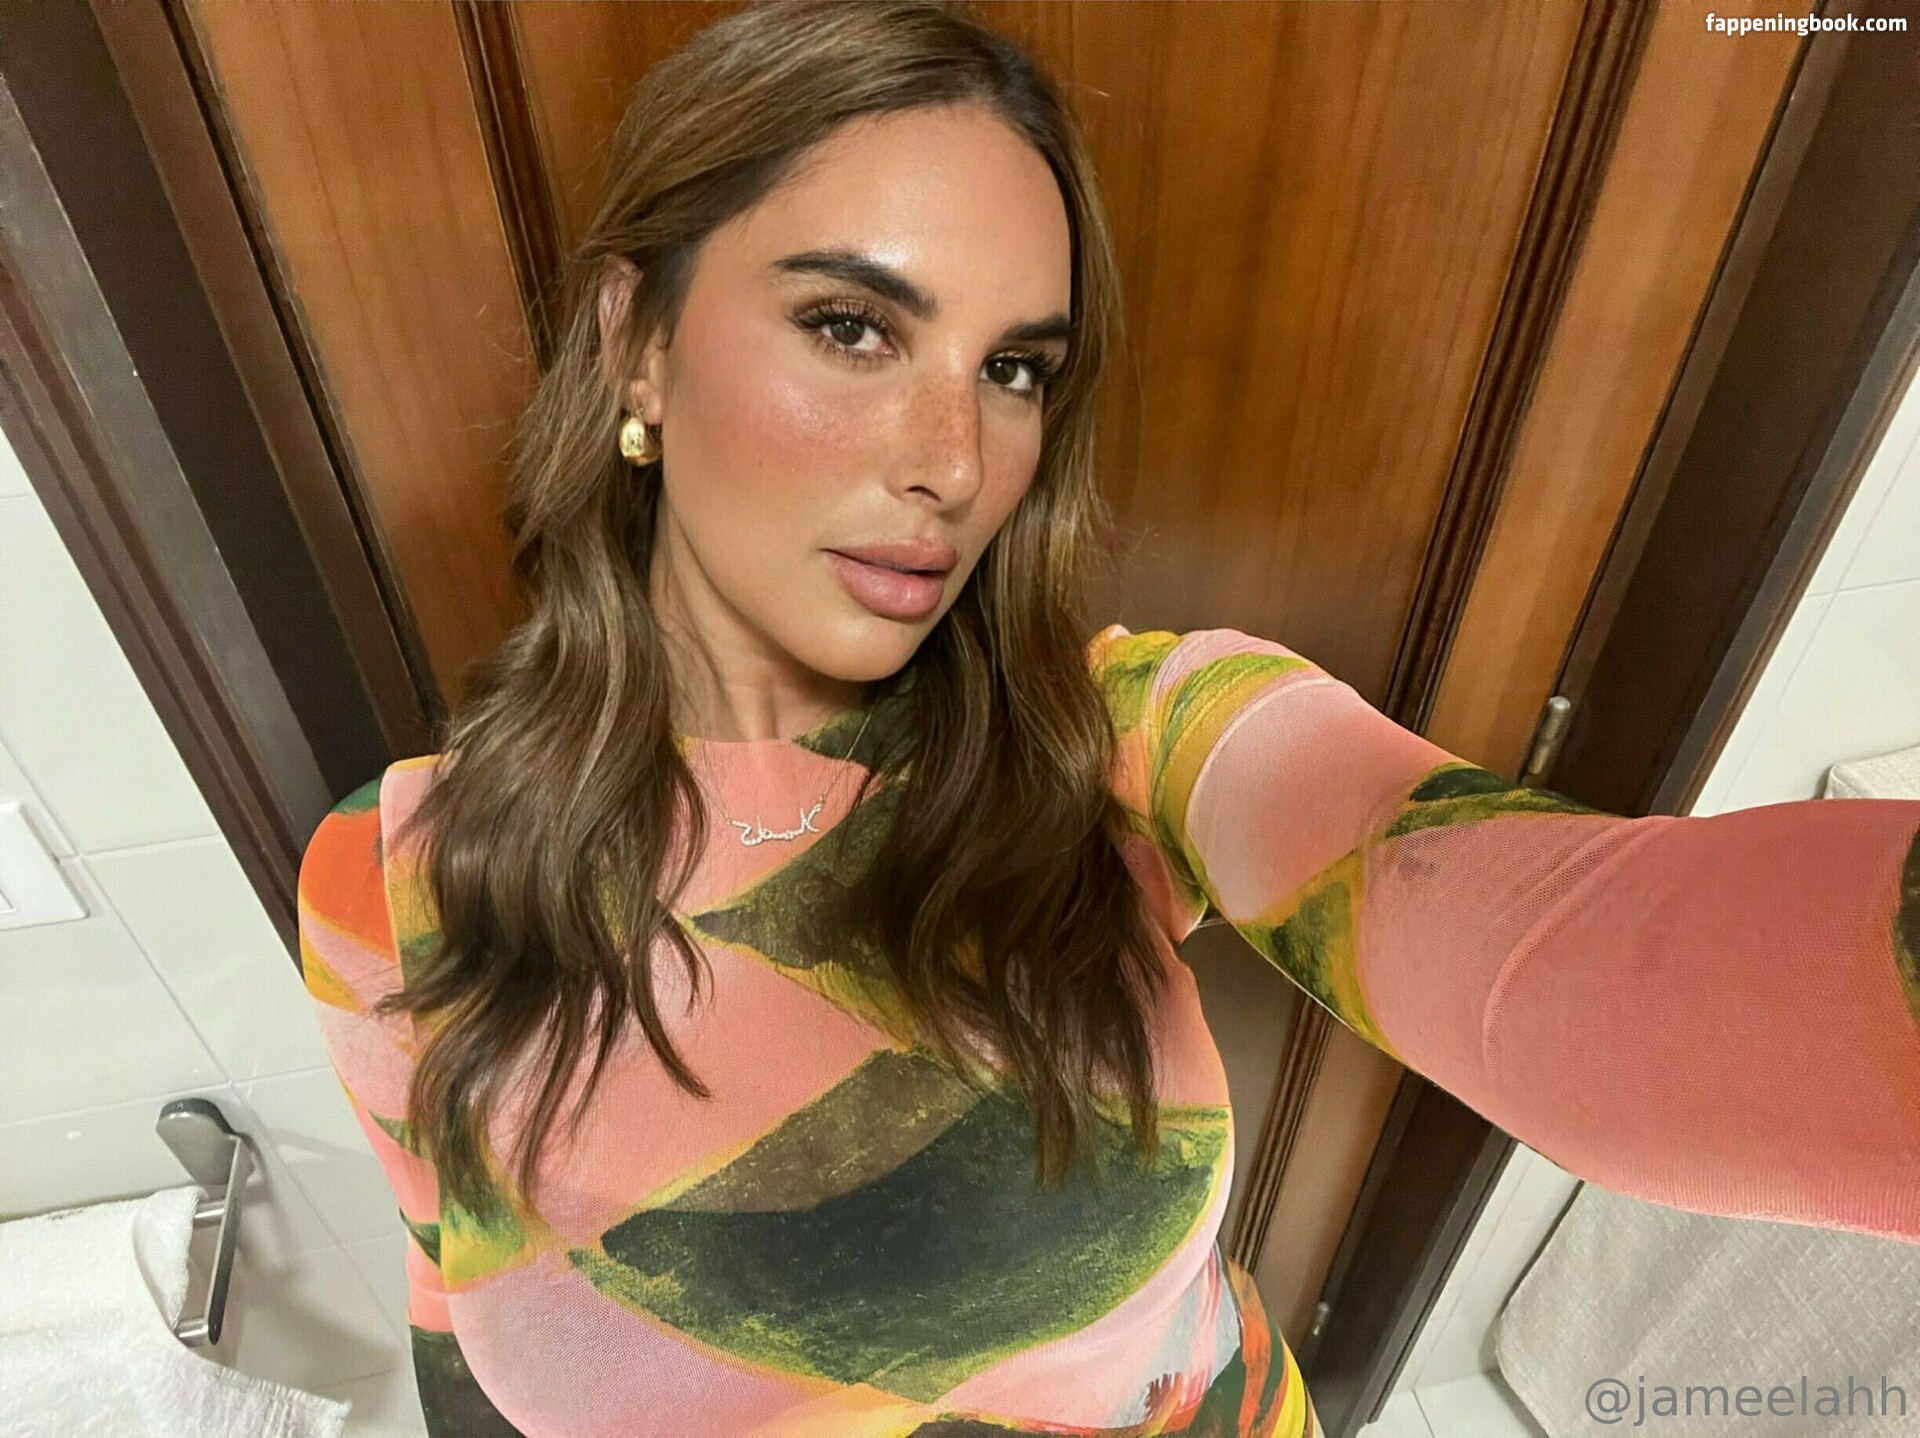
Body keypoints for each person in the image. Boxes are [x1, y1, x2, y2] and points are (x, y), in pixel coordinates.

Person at [294, 3, 1920, 1434]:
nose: (956, 460)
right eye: (853, 327)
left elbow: (1574, 963)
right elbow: (450, 1293)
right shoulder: (388, 875)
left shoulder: (1127, 744)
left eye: (1016, 369)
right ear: (636, 343)